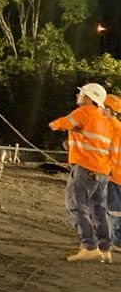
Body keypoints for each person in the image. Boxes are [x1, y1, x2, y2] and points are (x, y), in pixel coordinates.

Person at [49, 82, 113, 262]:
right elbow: (94, 143)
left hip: (85, 169)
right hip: (102, 171)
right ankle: (104, 249)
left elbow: (63, 123)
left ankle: (89, 247)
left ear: (89, 98)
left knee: (76, 207)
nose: (78, 96)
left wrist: (53, 124)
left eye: (81, 94)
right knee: (99, 210)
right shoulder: (104, 121)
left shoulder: (84, 112)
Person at [102, 93, 121, 254]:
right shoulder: (115, 125)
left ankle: (116, 241)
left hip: (114, 175)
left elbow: (111, 153)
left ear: (108, 109)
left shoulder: (113, 127)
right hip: (116, 174)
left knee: (113, 209)